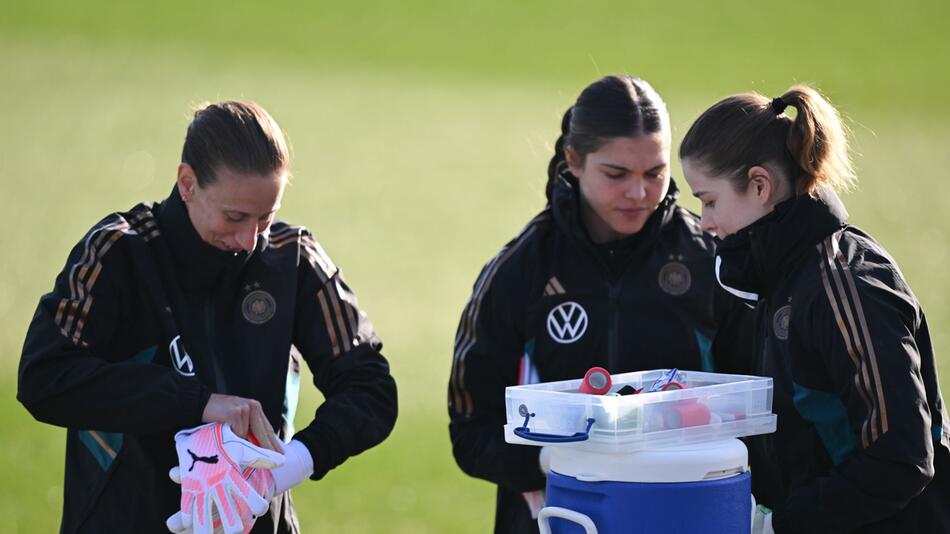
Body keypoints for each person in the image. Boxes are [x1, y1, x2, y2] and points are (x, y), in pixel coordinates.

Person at [17, 100, 398, 533]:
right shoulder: (119, 252)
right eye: (234, 217)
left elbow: (371, 390)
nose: (249, 239)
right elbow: (44, 377)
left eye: (266, 218)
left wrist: (283, 469)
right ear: (187, 183)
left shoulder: (292, 258)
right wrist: (197, 404)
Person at [448, 75, 737, 533]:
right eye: (617, 174)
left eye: (655, 173)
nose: (639, 193)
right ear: (573, 161)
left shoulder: (712, 261)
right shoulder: (520, 270)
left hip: (684, 516)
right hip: (559, 518)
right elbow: (470, 433)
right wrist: (550, 457)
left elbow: (758, 402)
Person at [679, 85, 950, 533]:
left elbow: (902, 459)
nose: (704, 222)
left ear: (760, 185)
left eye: (708, 201)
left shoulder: (846, 284)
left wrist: (782, 524)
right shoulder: (770, 273)